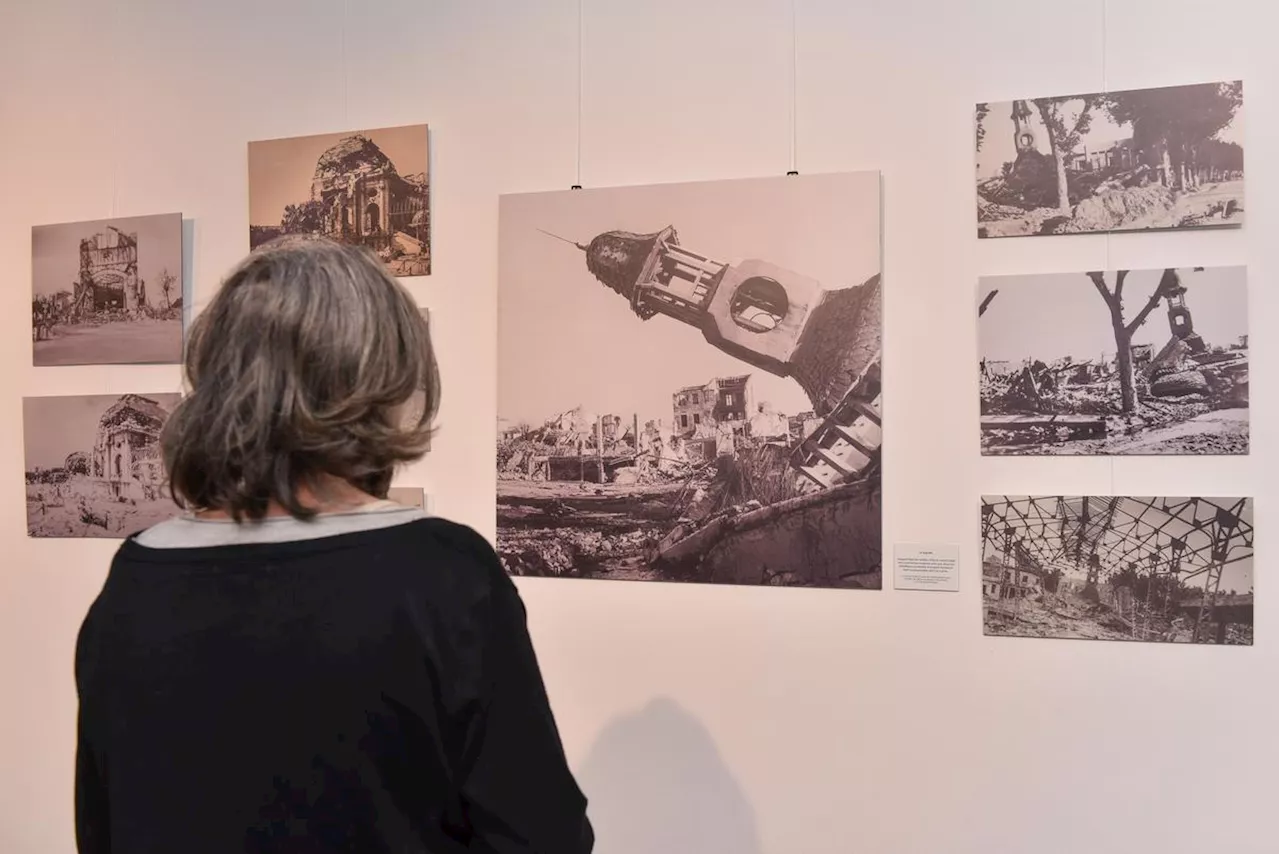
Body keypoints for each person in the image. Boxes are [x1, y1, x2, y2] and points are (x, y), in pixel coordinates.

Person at [73, 236, 593, 853]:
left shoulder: (136, 579)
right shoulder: (442, 577)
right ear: (383, 380)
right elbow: (539, 836)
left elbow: (105, 830)